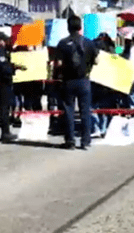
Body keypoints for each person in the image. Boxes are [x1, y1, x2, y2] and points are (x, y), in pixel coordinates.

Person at [56, 15, 98, 149]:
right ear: (80, 27)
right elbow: (97, 61)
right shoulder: (88, 42)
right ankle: (85, 141)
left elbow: (58, 63)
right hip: (84, 80)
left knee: (68, 110)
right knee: (85, 111)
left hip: (68, 80)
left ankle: (70, 141)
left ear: (68, 27)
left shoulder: (63, 43)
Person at [0, 32, 26, 142]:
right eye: (4, 40)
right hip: (2, 82)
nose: (6, 42)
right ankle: (5, 132)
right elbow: (3, 67)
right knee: (4, 107)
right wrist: (12, 70)